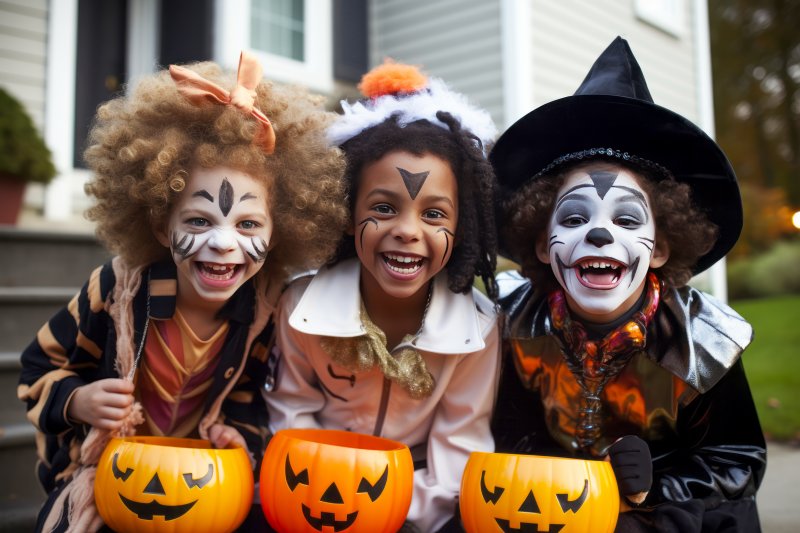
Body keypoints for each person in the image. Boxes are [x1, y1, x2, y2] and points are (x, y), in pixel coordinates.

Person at [18, 51, 348, 532]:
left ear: (277, 235)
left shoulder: (259, 310)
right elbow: (38, 366)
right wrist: (77, 400)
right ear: (158, 224)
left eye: (248, 224)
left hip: (200, 483)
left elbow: (250, 393)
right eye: (198, 220)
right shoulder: (115, 290)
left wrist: (238, 435)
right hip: (109, 476)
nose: (222, 242)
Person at [490, 37, 766, 532]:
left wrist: (655, 483)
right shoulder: (517, 324)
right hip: (551, 509)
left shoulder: (701, 344)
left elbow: (738, 460)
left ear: (660, 248)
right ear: (539, 242)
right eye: (573, 218)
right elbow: (508, 431)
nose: (599, 233)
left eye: (627, 220)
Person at [264, 61, 501, 532]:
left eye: (434, 214)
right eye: (384, 208)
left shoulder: (478, 330)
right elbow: (291, 417)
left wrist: (397, 513)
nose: (407, 232)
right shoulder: (300, 309)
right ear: (348, 213)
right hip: (315, 494)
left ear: (462, 225)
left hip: (414, 506)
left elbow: (459, 450)